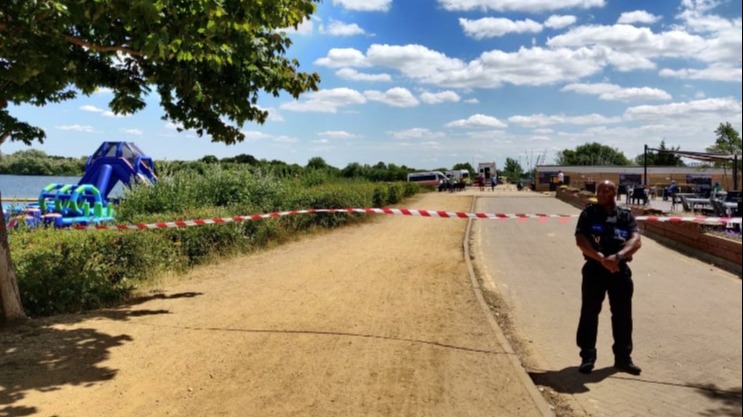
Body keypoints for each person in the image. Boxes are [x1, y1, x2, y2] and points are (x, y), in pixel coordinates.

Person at [574, 180, 643, 375]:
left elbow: (636, 240)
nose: (601, 194)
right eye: (599, 191)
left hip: (619, 270)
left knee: (623, 315)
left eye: (606, 191)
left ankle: (623, 358)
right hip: (594, 269)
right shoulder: (588, 214)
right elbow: (580, 239)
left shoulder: (625, 216)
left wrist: (618, 257)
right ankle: (587, 356)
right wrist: (601, 259)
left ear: (614, 193)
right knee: (589, 312)